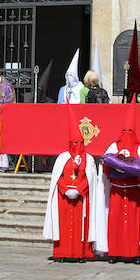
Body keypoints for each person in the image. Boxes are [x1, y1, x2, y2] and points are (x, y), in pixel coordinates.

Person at [95, 99, 140, 262]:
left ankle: (134, 253)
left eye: (130, 131)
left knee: (133, 223)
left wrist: (128, 168)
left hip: (134, 192)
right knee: (115, 222)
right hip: (116, 192)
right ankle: (114, 252)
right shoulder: (114, 146)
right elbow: (105, 164)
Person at [43, 102, 98, 261]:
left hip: (81, 200)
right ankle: (62, 253)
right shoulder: (62, 158)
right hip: (64, 199)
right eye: (74, 143)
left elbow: (90, 179)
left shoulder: (89, 159)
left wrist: (79, 190)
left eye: (80, 143)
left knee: (80, 226)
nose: (77, 146)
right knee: (64, 226)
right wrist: (66, 189)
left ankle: (81, 254)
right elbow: (57, 178)